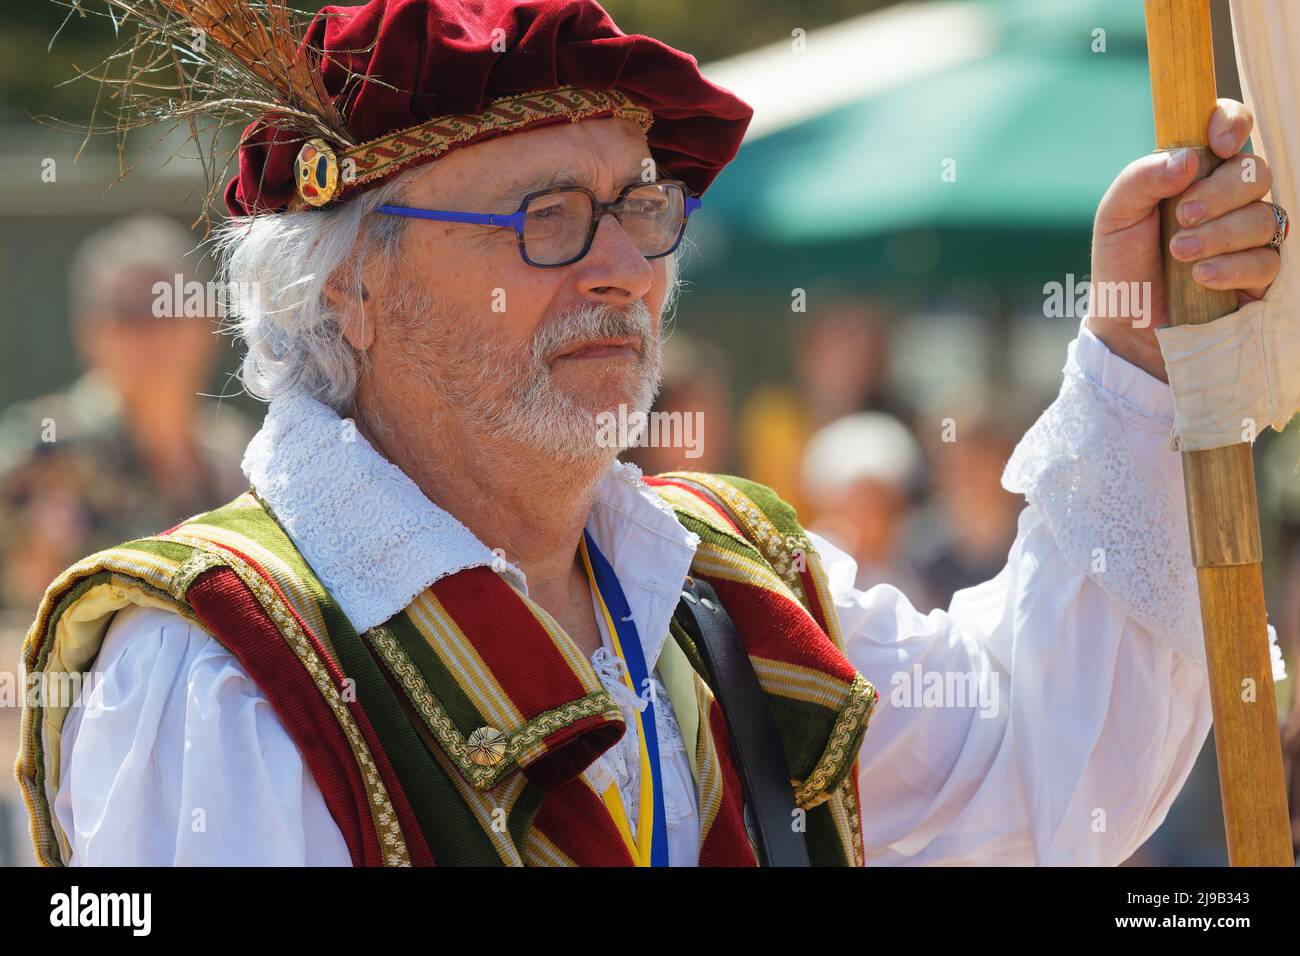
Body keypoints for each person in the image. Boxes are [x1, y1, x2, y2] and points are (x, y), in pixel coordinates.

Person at [15, 0, 1287, 866]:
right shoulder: (222, 663)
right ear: (353, 282)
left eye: (640, 203)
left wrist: (1133, 346)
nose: (625, 265)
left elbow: (1047, 777)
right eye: (548, 214)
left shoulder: (730, 584)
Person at [0, 215, 254, 615]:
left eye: (168, 307)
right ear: (90, 332)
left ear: (209, 323)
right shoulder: (40, 452)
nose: (152, 334)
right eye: (128, 314)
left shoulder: (240, 460)